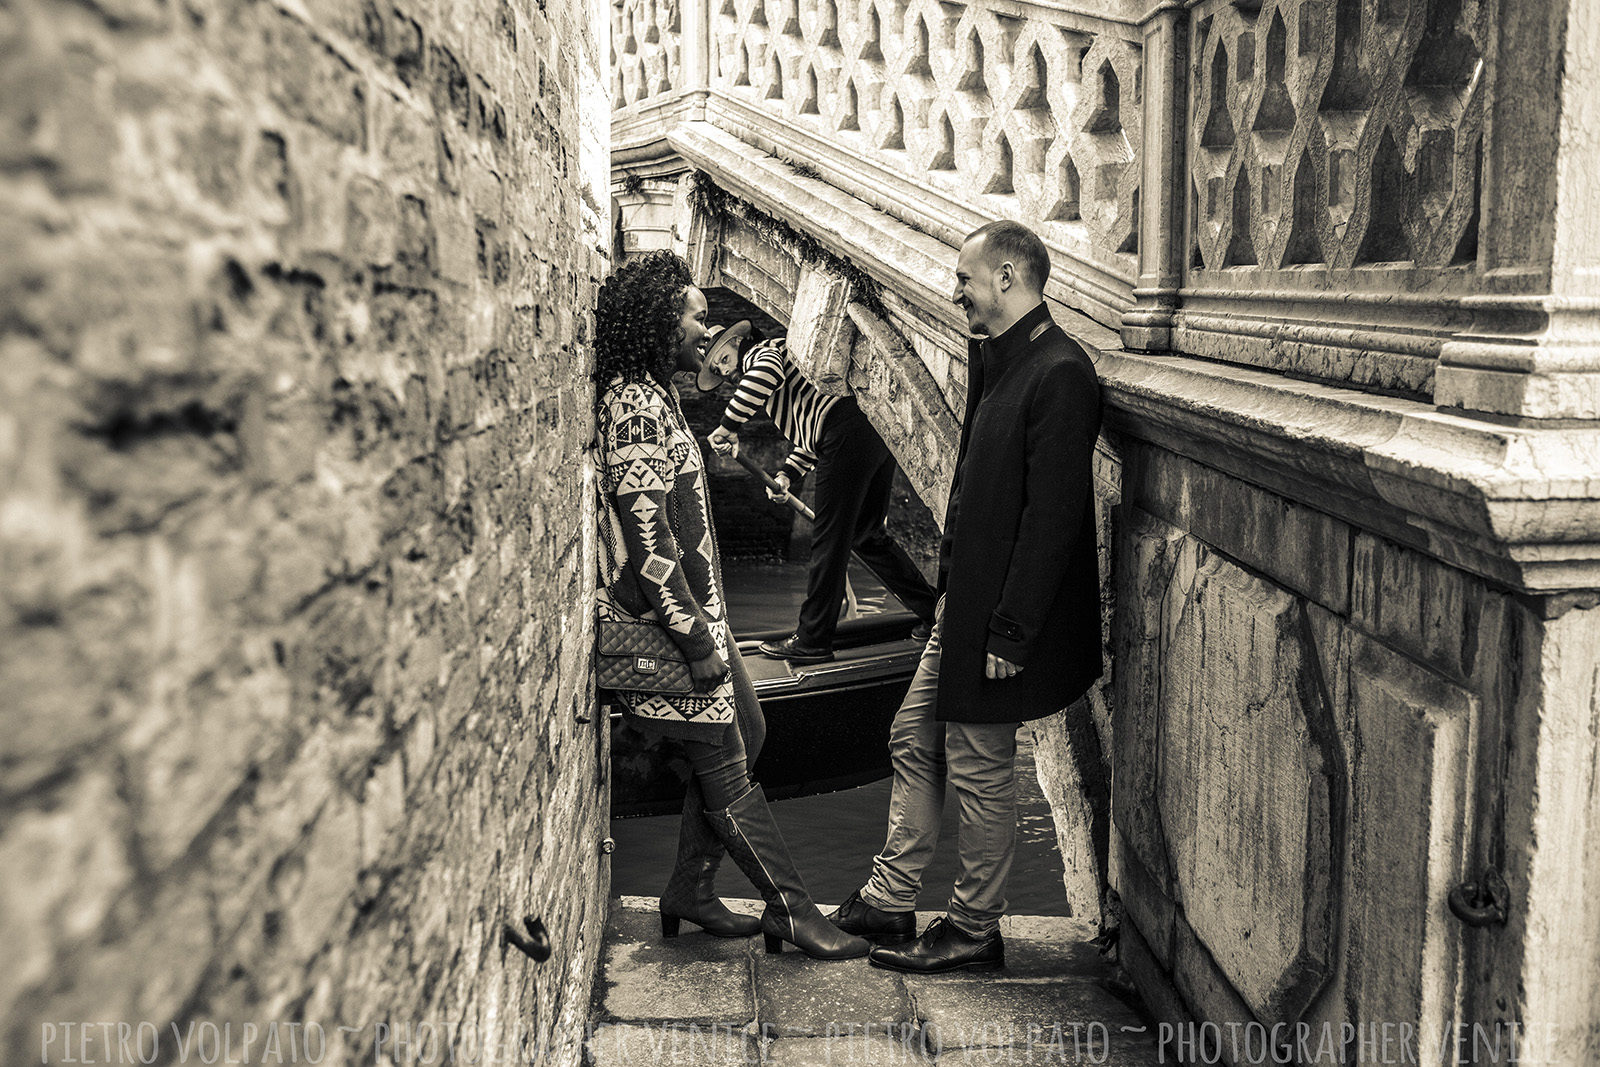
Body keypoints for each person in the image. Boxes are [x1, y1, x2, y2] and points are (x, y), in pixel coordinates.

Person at [827, 221, 1103, 973]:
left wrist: (1011, 632)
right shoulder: (999, 361)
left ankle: (975, 927)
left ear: (1008, 276)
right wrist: (951, 598)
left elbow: (1051, 521)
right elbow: (971, 494)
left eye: (966, 278)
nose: (956, 291)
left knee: (982, 769)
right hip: (966, 608)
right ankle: (890, 896)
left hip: (1000, 623)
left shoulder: (1060, 372)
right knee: (913, 736)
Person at [592, 250, 868, 960]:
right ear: (657, 320)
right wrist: (695, 641)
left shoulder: (658, 395)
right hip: (675, 624)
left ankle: (688, 886)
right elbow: (648, 543)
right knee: (724, 760)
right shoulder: (632, 405)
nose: (702, 321)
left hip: (705, 615)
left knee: (753, 728)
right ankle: (793, 910)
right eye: (689, 311)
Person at [698, 324, 937, 663]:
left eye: (723, 359)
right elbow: (812, 438)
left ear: (739, 342)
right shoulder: (779, 384)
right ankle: (938, 612)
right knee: (865, 534)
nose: (725, 371)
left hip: (845, 431)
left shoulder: (765, 353)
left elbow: (767, 375)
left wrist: (727, 426)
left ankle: (812, 639)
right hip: (862, 430)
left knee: (829, 539)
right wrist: (786, 475)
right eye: (718, 370)